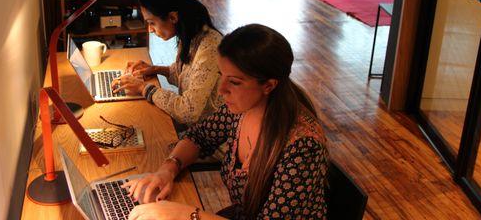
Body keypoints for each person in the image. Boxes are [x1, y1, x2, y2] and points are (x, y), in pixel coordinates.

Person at [125, 24, 329, 220]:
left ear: (268, 85)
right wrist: (167, 170)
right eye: (222, 76)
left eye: (234, 82)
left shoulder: (303, 146)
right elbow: (199, 136)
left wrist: (186, 214)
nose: (222, 90)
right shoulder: (244, 108)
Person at [113, 0, 223, 126]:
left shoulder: (210, 47)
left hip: (209, 134)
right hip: (197, 129)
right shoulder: (191, 33)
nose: (150, 30)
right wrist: (155, 69)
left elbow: (188, 112)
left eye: (152, 23)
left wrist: (143, 88)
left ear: (173, 17)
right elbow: (188, 77)